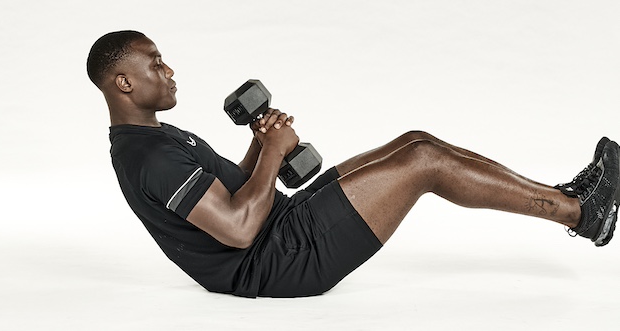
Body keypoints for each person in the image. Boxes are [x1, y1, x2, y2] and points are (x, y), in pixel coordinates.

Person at [87, 30, 619, 298]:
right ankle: (581, 214)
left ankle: (565, 193)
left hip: (283, 228)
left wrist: (261, 140)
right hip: (277, 262)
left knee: (415, 141)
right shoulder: (148, 156)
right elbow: (240, 228)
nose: (170, 69)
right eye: (155, 62)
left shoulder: (152, 136)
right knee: (424, 162)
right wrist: (275, 152)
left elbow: (235, 190)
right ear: (124, 82)